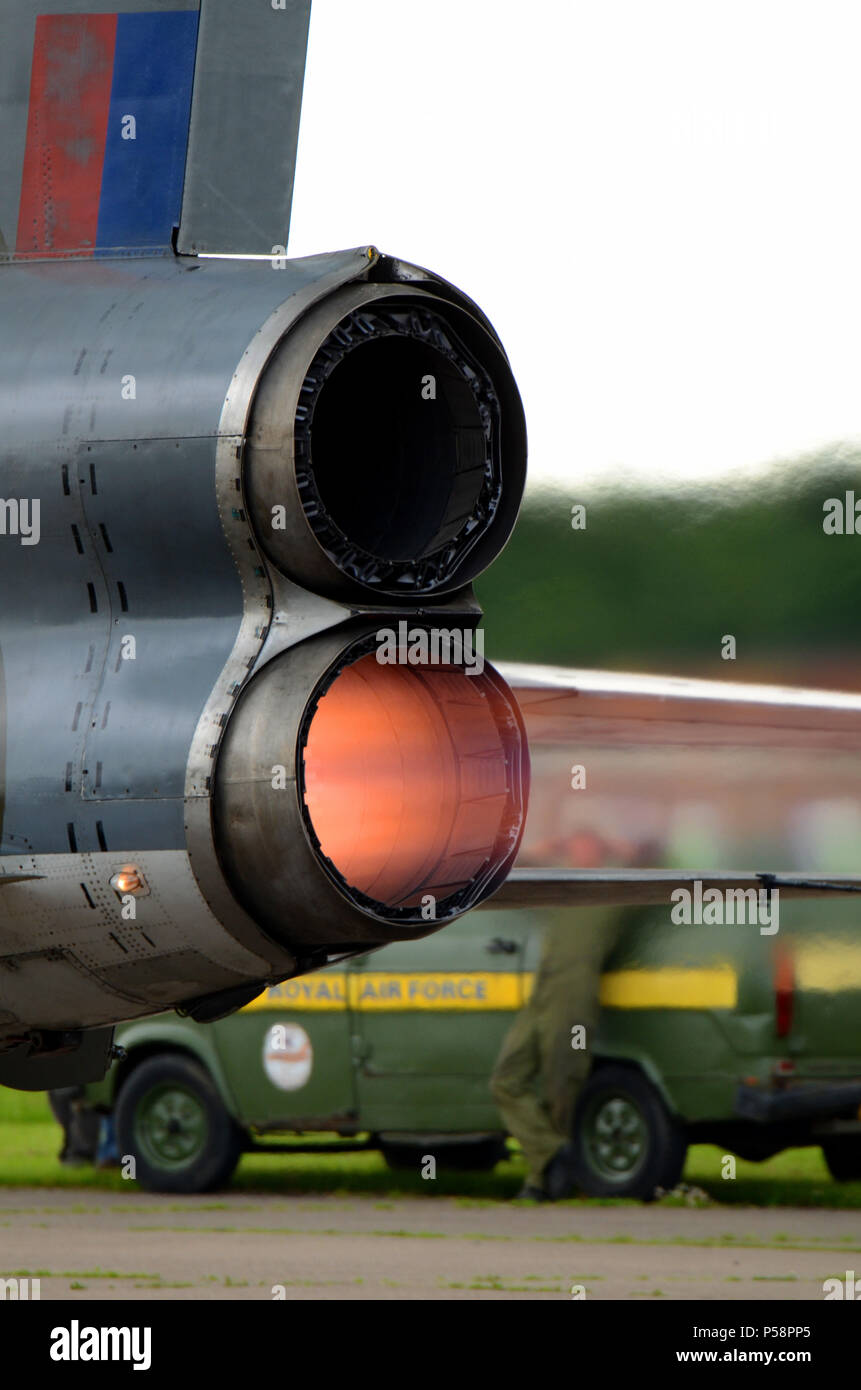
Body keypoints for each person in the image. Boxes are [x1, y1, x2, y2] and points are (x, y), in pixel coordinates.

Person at [490, 903, 626, 1200]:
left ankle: (542, 1182)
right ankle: (554, 1153)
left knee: (562, 1084)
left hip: (573, 993)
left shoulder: (614, 887)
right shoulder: (568, 885)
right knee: (506, 1080)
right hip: (544, 986)